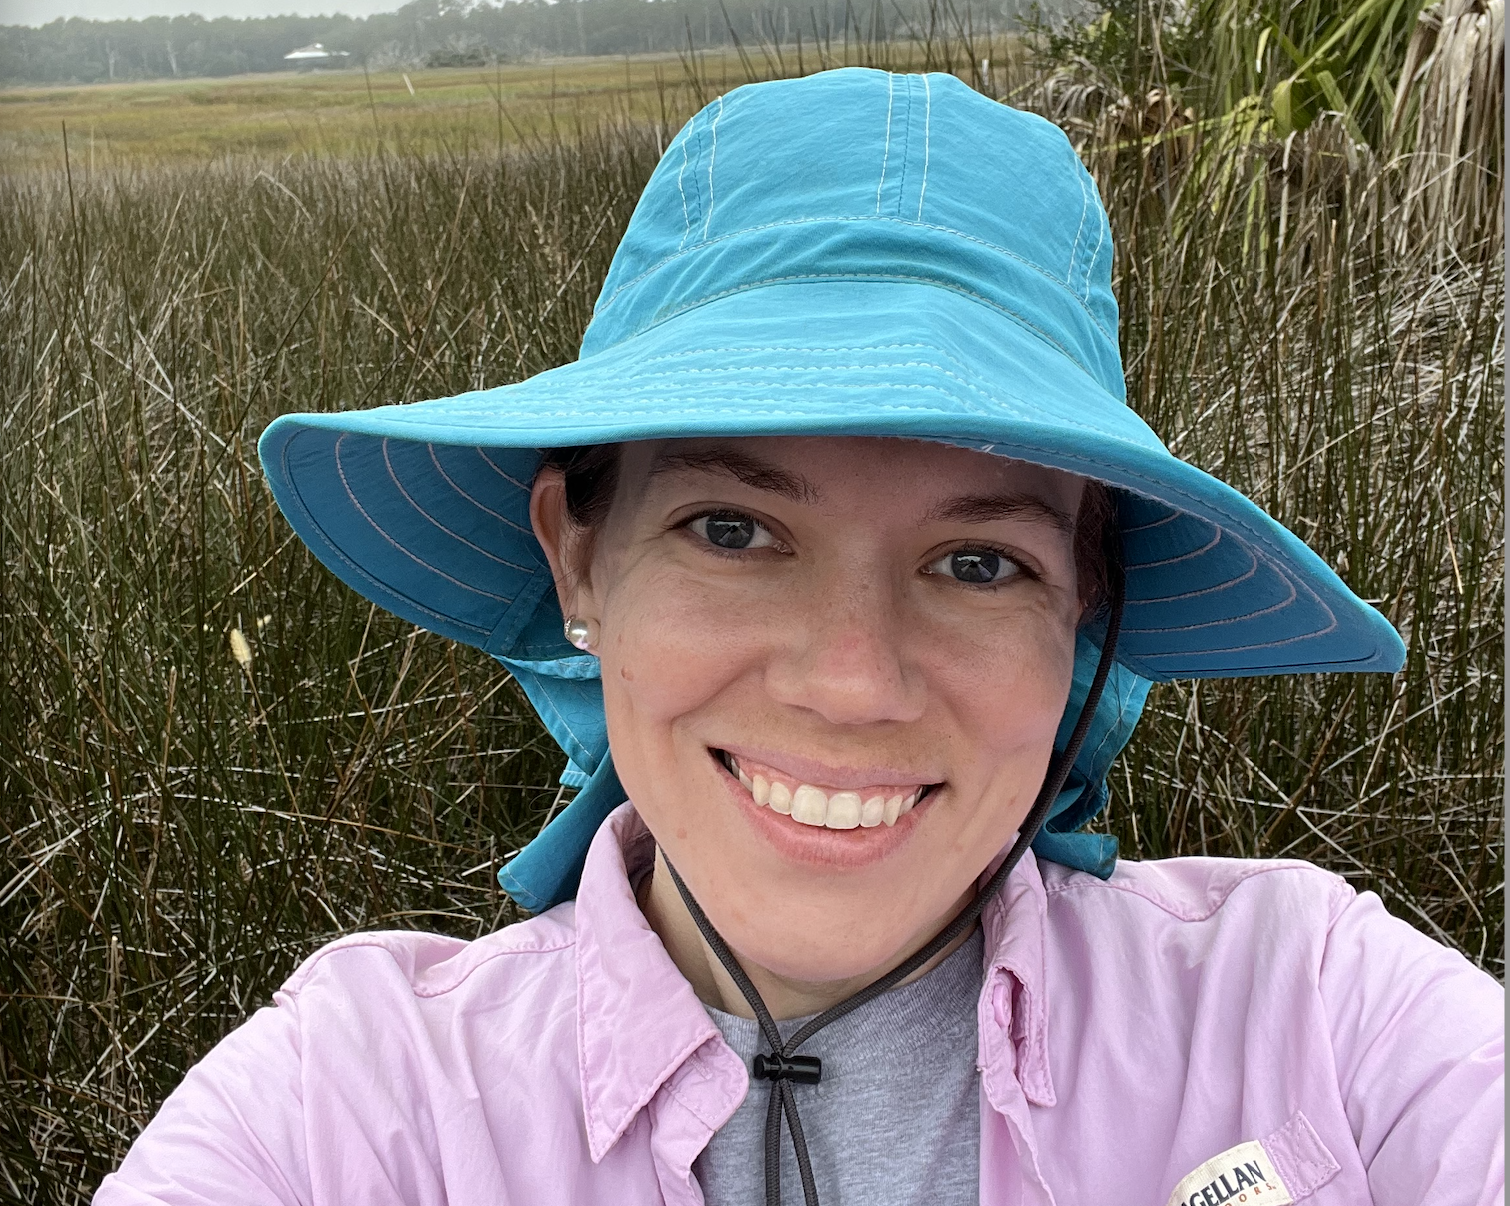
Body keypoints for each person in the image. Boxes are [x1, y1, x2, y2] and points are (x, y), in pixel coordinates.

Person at [95, 68, 1502, 1206]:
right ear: (577, 556)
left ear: (1086, 611)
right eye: (730, 529)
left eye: (975, 560)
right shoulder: (347, 1113)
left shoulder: (1322, 1014)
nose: (849, 681)